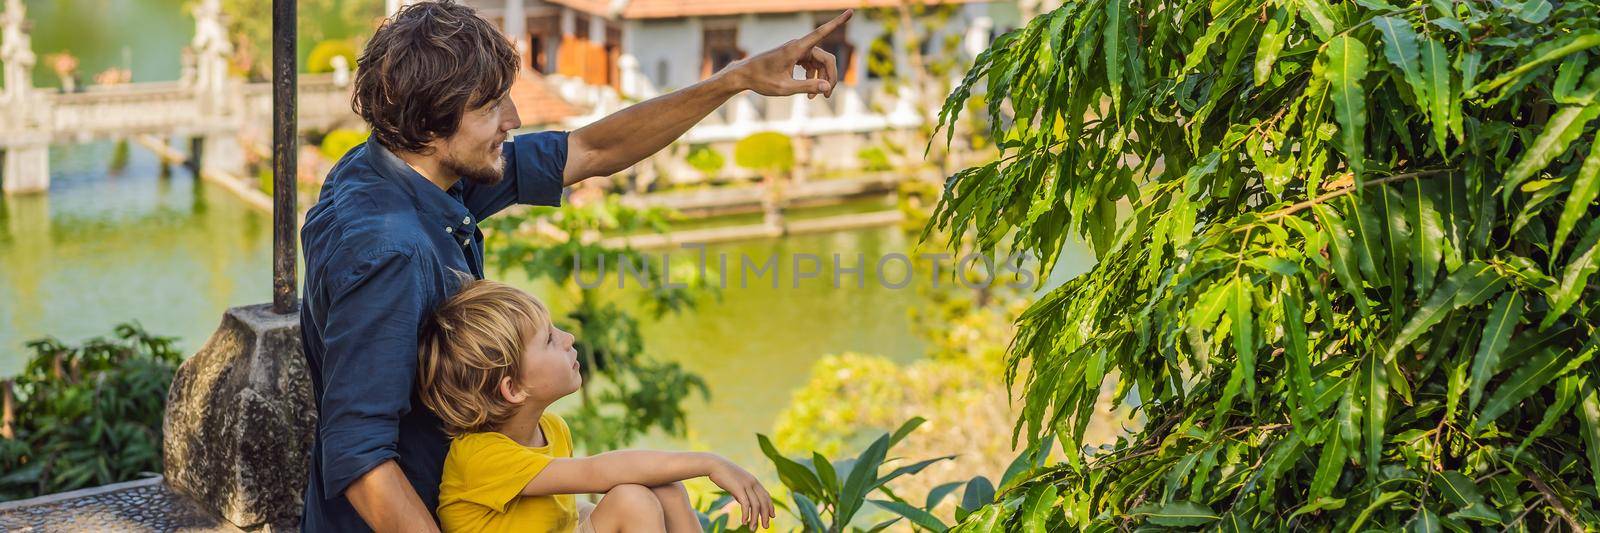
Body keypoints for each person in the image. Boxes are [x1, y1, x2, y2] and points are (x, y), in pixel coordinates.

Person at [298, 1, 850, 531]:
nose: (512, 118)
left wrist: (735, 79)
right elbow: (361, 457)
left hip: (487, 503)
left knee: (654, 492)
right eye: (491, 107)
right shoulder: (387, 252)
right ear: (428, 123)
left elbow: (587, 151)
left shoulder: (409, 167)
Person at [418, 276, 773, 532]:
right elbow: (598, 473)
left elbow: (563, 516)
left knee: (664, 486)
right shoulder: (480, 457)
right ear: (513, 389)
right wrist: (709, 462)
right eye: (549, 340)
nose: (569, 338)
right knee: (631, 500)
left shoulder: (551, 429)